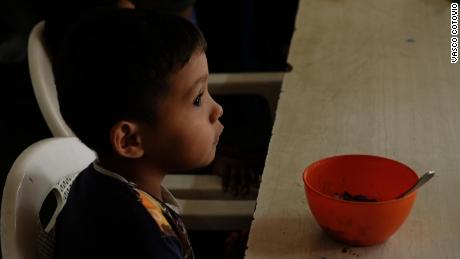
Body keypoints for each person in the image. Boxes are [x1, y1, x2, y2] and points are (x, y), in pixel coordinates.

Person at [52, 8, 223, 259]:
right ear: (130, 140)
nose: (217, 110)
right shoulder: (144, 239)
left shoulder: (95, 182)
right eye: (197, 99)